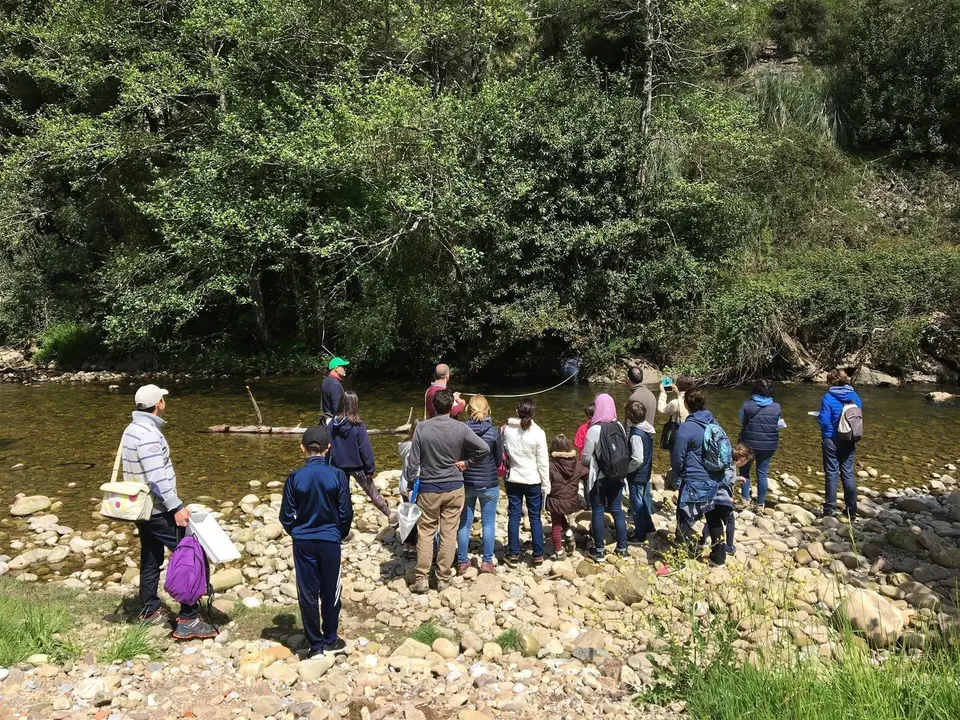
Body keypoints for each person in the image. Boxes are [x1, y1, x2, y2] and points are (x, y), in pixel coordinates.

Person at [123, 384, 217, 640]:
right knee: (189, 555)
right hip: (158, 508)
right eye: (163, 398)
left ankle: (149, 609)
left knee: (151, 555)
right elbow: (157, 477)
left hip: (141, 508)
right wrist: (176, 506)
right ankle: (188, 618)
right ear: (159, 403)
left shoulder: (131, 429)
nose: (165, 401)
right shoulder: (150, 435)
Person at [280, 424, 353, 657]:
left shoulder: (294, 477)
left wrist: (297, 531)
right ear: (328, 448)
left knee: (308, 592)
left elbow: (286, 515)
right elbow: (346, 513)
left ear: (303, 448)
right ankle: (331, 637)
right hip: (330, 539)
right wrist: (339, 532)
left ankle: (315, 644)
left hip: (303, 541)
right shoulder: (338, 475)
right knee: (331, 590)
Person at [408, 389, 489, 593]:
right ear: (451, 407)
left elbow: (413, 461)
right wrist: (467, 463)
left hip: (429, 488)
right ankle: (443, 578)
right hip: (454, 486)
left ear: (434, 407)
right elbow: (484, 449)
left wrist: (411, 482)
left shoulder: (422, 428)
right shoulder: (460, 428)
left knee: (426, 532)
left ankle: (422, 578)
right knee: (448, 532)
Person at [671, 388, 735, 567]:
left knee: (684, 517)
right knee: (713, 515)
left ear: (686, 404)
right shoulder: (714, 422)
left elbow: (677, 458)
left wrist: (679, 475)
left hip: (695, 481)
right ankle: (719, 557)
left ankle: (678, 560)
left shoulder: (686, 428)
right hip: (717, 479)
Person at [502, 398, 550, 567]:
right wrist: (546, 484)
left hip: (513, 478)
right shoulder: (539, 433)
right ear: (533, 413)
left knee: (514, 516)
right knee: (535, 517)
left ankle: (514, 553)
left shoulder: (507, 430)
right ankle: (538, 554)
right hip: (533, 480)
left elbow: (505, 452)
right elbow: (543, 462)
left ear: (517, 411)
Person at [580, 393, 629, 562]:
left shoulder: (594, 429)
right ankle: (622, 548)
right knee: (617, 511)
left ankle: (599, 550)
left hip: (599, 477)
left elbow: (585, 457)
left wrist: (590, 463)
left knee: (598, 511)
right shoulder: (620, 426)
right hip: (618, 475)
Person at [457, 395, 502, 574]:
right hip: (489, 482)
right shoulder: (494, 430)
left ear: (469, 410)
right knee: (488, 523)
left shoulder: (462, 429)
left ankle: (462, 561)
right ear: (487, 410)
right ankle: (487, 562)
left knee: (465, 523)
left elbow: (458, 453)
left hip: (466, 480)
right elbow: (499, 459)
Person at [329, 391, 392, 519]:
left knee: (341, 497)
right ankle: (389, 515)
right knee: (371, 491)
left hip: (337, 466)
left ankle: (342, 525)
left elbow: (328, 445)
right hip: (356, 465)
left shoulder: (332, 425)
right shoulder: (358, 425)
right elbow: (365, 449)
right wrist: (370, 469)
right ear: (355, 405)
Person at [818, 369, 863, 518]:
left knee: (831, 473)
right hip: (850, 438)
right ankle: (851, 509)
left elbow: (824, 421)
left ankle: (830, 508)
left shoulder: (828, 397)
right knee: (848, 473)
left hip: (831, 438)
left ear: (831, 381)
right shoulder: (854, 396)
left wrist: (820, 419)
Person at [738, 379, 786, 509]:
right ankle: (760, 504)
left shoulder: (747, 405)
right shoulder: (777, 406)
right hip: (768, 445)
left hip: (747, 444)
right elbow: (777, 424)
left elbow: (741, 420)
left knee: (744, 471)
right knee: (762, 473)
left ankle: (745, 500)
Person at [700, 443, 754, 556]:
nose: (745, 464)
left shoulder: (724, 463)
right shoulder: (732, 467)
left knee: (712, 520)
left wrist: (738, 478)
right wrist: (729, 497)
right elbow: (726, 481)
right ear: (742, 458)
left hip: (712, 497)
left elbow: (725, 477)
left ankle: (702, 540)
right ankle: (729, 546)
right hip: (723, 499)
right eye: (746, 461)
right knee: (730, 522)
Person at [625, 399, 656, 544]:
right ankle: (649, 526)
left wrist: (628, 469)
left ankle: (640, 534)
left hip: (637, 474)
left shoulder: (637, 434)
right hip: (646, 471)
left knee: (636, 503)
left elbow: (637, 458)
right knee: (643, 500)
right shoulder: (647, 429)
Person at [545, 434, 581, 559]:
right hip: (571, 500)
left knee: (555, 525)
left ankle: (559, 551)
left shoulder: (550, 465)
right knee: (560, 516)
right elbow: (585, 473)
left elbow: (546, 482)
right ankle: (569, 534)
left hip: (556, 500)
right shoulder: (576, 463)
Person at [397, 421, 419, 559]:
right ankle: (413, 547)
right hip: (413, 485)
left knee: (407, 516)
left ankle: (406, 546)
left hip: (403, 484)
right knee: (415, 517)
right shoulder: (416, 447)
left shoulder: (405, 444)